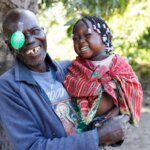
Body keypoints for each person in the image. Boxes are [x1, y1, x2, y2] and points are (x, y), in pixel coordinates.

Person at [0, 9, 130, 150]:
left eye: (35, 31)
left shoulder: (71, 68)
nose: (30, 40)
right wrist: (97, 137)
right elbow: (32, 146)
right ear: (10, 46)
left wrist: (114, 122)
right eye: (19, 38)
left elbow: (100, 113)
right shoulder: (8, 87)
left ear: (43, 32)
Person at [64, 16, 143, 132]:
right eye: (75, 38)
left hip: (113, 119)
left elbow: (132, 90)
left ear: (104, 37)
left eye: (87, 35)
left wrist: (114, 114)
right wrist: (101, 86)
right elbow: (72, 87)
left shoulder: (118, 63)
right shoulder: (77, 67)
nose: (81, 41)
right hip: (82, 124)